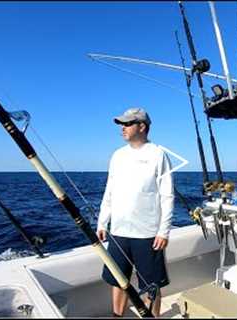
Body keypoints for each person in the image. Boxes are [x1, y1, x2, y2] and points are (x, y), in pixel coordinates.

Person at [97, 107, 174, 317]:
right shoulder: (117, 155)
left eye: (127, 124)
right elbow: (109, 190)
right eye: (122, 124)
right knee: (118, 280)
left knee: (152, 285)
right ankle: (117, 316)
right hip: (119, 231)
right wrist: (103, 222)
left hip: (148, 234)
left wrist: (163, 231)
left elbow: (167, 195)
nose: (122, 128)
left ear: (142, 126)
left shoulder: (158, 155)